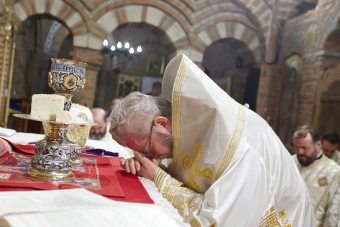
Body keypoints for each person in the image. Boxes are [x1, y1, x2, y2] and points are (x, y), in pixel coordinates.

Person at [108, 54, 314, 226]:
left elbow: (216, 222)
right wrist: (151, 167)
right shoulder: (190, 128)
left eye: (146, 149)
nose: (150, 156)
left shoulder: (239, 147)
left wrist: (158, 177)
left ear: (162, 123)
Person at [292, 125, 340, 226]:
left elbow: (334, 214)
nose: (300, 152)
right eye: (297, 147)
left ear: (318, 145)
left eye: (305, 148)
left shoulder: (335, 172)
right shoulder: (290, 162)